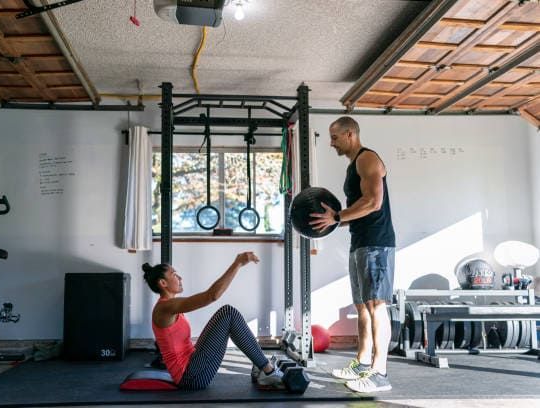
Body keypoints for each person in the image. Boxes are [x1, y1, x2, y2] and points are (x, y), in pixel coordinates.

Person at [309, 116, 396, 393]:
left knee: (377, 305)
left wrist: (337, 216)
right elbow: (357, 208)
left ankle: (380, 372)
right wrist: (333, 221)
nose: (331, 143)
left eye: (334, 137)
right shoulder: (353, 166)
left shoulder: (367, 159)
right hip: (360, 241)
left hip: (376, 243)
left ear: (349, 134)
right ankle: (361, 362)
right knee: (361, 305)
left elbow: (373, 201)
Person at [142, 251, 284, 390]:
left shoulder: (171, 305)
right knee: (228, 313)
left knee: (227, 315)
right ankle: (268, 371)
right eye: (174, 275)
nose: (180, 278)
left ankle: (262, 367)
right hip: (190, 378)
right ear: (163, 283)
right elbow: (212, 295)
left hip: (193, 365)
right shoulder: (165, 307)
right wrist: (237, 263)